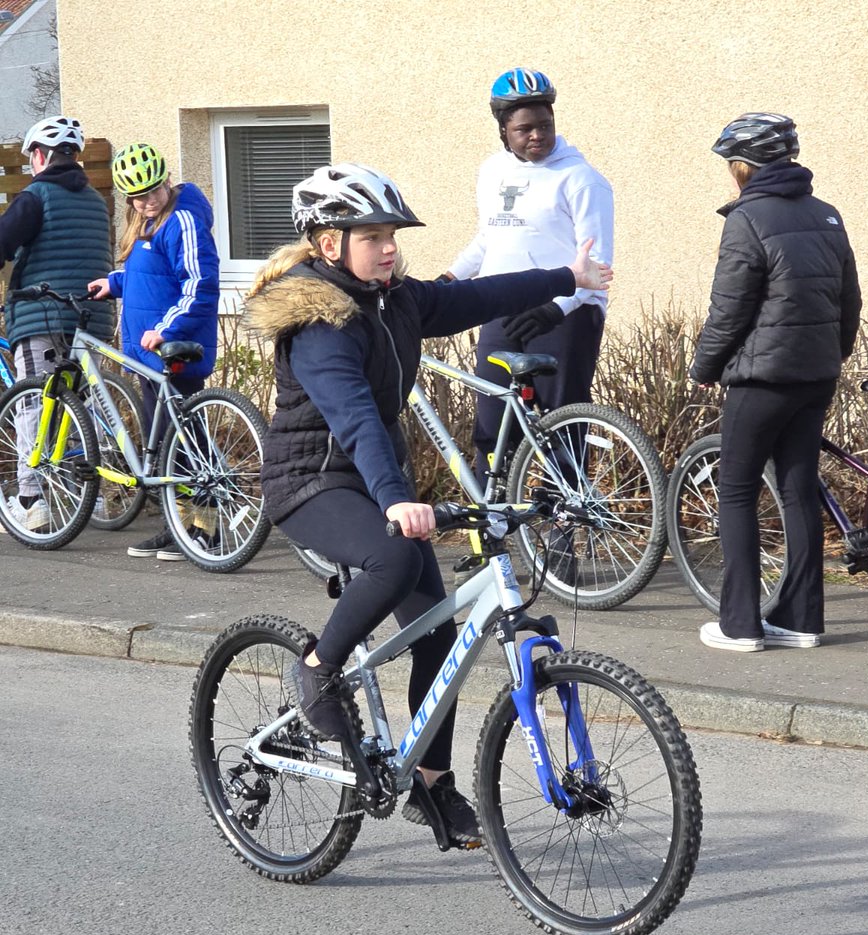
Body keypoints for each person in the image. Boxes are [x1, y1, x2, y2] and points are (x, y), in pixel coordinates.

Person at [243, 162, 611, 849]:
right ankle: (319, 669)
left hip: (377, 483)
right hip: (312, 482)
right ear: (328, 244)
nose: (388, 246)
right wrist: (397, 500)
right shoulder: (317, 323)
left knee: (438, 636)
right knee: (395, 555)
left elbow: (478, 296)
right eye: (371, 235)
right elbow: (353, 417)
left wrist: (569, 277)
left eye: (392, 235)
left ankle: (432, 786)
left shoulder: (395, 299)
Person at [689, 113, 861, 652]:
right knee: (797, 489)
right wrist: (831, 354)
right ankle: (802, 620)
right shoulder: (827, 215)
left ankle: (740, 624)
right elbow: (849, 301)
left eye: (730, 164)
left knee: (737, 490)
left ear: (744, 166)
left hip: (761, 378)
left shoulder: (747, 219)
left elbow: (729, 310)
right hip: (815, 375)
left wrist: (704, 367)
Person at [443, 68, 614, 485]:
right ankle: (494, 526)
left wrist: (556, 310)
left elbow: (597, 264)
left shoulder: (581, 179)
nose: (537, 134)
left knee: (560, 425)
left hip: (564, 316)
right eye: (525, 128)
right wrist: (450, 278)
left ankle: (563, 530)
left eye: (545, 125)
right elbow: (490, 237)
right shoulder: (491, 172)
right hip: (501, 307)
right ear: (503, 131)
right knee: (492, 426)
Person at [89, 141, 220, 561]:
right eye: (138, 197)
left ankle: (205, 528)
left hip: (173, 347)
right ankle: (179, 525)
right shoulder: (149, 222)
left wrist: (164, 330)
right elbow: (153, 276)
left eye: (153, 192)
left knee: (183, 441)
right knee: (166, 440)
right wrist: (116, 282)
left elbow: (199, 284)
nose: (147, 202)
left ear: (166, 181)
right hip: (150, 354)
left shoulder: (181, 218)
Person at [0, 114, 114, 532]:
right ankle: (91, 496)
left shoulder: (37, 195)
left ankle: (31, 501)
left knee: (34, 404)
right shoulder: (96, 202)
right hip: (91, 318)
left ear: (40, 155)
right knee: (78, 407)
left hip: (42, 314)